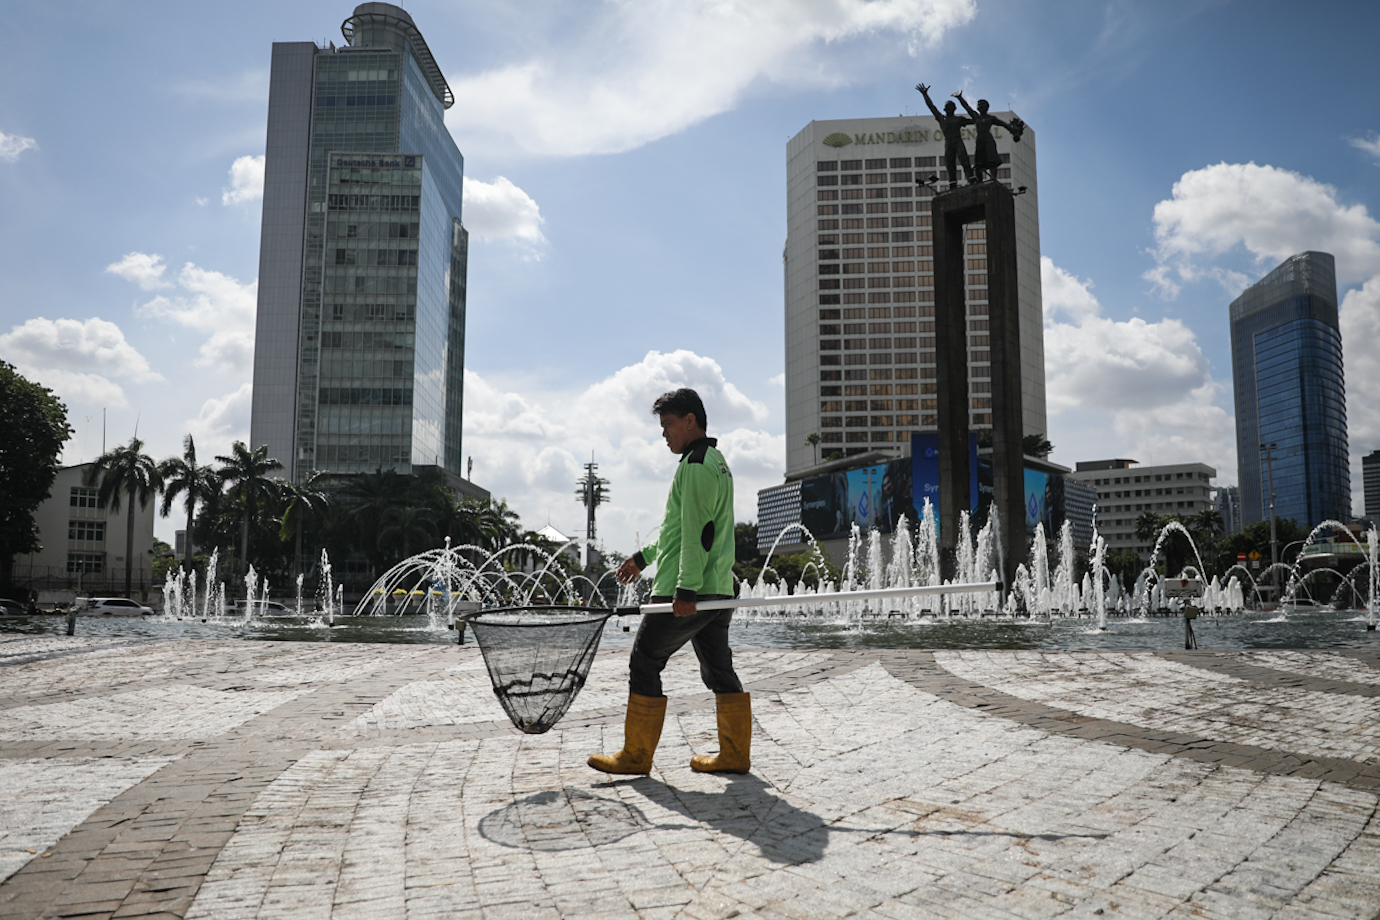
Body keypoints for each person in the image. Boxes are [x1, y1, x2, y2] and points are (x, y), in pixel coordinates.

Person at [588, 388, 749, 776]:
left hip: (693, 591)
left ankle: (636, 755)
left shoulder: (695, 465)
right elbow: (678, 529)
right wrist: (642, 558)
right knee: (718, 669)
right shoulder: (715, 461)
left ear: (690, 421)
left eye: (668, 425)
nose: (664, 434)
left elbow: (698, 534)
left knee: (644, 660)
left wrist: (685, 591)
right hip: (718, 588)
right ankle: (734, 755)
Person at [953, 91, 1023, 183]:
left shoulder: (991, 118)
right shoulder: (976, 117)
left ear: (987, 107)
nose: (980, 106)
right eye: (979, 105)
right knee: (978, 163)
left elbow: (1003, 124)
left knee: (992, 160)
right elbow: (967, 108)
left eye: (982, 105)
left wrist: (1014, 131)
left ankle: (993, 179)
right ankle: (979, 181)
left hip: (988, 139)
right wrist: (960, 98)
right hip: (980, 140)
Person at [916, 83, 973, 189]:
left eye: (951, 106)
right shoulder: (942, 119)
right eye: (947, 107)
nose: (949, 108)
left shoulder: (959, 119)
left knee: (964, 160)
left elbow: (975, 119)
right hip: (949, 142)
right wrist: (925, 94)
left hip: (958, 141)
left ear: (954, 108)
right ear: (944, 109)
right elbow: (931, 107)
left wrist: (960, 99)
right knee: (950, 163)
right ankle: (953, 182)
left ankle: (971, 178)